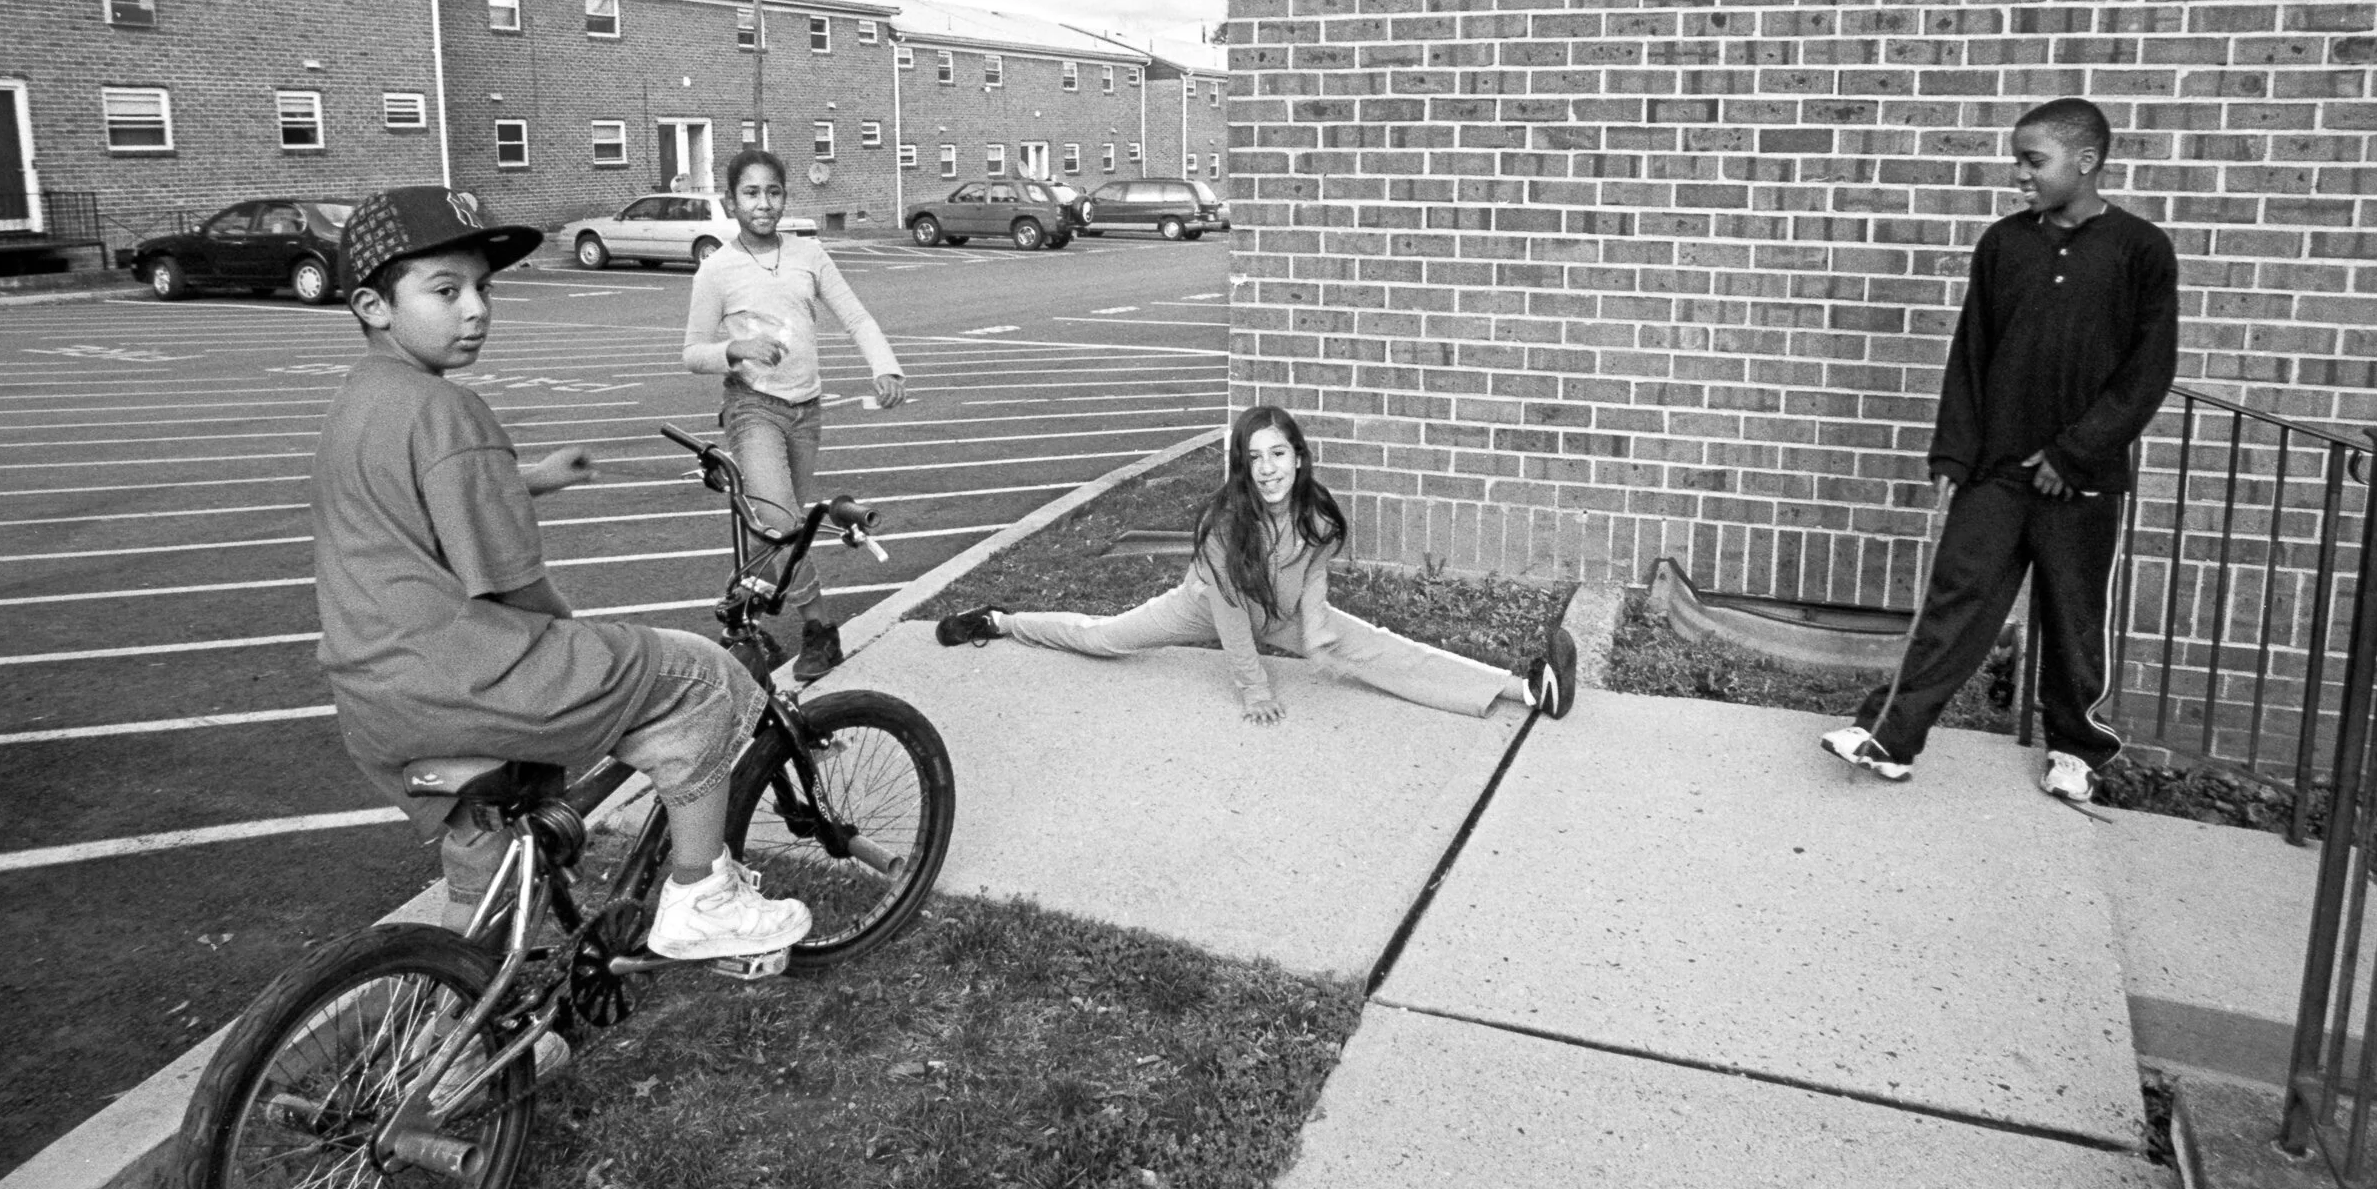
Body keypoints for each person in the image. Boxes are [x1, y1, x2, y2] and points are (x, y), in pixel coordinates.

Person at [312, 185, 809, 965]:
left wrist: (535, 476)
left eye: (483, 287)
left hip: (375, 696)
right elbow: (512, 585)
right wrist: (583, 637)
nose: (475, 308)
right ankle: (701, 896)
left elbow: (428, 493)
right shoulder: (451, 411)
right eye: (446, 290)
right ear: (374, 304)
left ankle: (442, 1022)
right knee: (696, 677)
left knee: (489, 865)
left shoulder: (361, 401)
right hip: (464, 680)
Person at [1820, 97, 2178, 803]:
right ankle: (1891, 735)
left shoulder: (2141, 250)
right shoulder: (2004, 245)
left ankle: (2077, 749)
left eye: (2033, 160)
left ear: (2086, 161)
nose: (2019, 174)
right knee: (1955, 602)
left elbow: (2148, 372)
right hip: (1997, 471)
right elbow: (1971, 355)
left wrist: (2074, 454)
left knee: (2073, 616)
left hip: (2081, 481)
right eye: (2017, 159)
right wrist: (1955, 454)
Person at [933, 404, 1578, 723]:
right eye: (1253, 458)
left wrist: (1318, 623)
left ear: (1298, 456)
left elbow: (1315, 567)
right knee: (1105, 638)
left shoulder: (1319, 516)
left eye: (1277, 455)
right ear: (1243, 465)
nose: (1266, 470)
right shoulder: (1225, 524)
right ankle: (1001, 621)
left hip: (1284, 612)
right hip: (1206, 605)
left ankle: (1523, 689)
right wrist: (1254, 689)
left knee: (1379, 649)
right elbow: (1229, 613)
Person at [683, 147, 905, 682]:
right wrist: (733, 352)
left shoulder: (809, 253)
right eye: (751, 193)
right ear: (732, 200)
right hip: (751, 408)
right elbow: (692, 353)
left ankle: (742, 616)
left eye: (773, 192)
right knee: (783, 525)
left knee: (772, 530)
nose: (763, 204)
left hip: (807, 410)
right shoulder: (717, 270)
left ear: (785, 196)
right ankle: (819, 630)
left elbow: (855, 316)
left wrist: (885, 366)